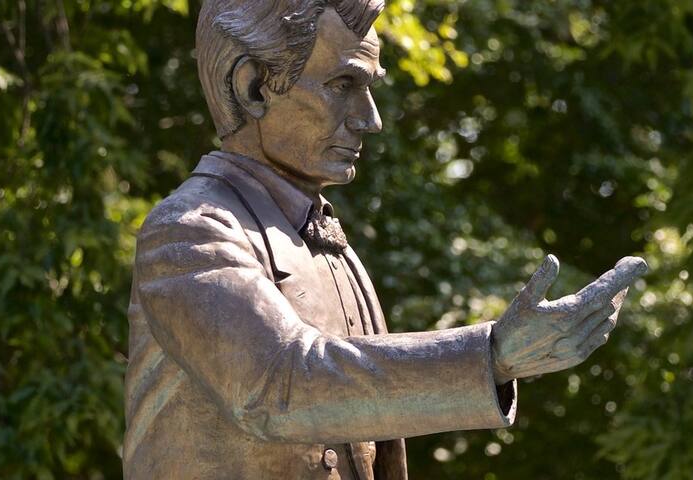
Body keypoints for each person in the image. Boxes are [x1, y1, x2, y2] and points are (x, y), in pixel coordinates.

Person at [123, 0, 650, 478]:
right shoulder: (191, 228)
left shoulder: (325, 244)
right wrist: (488, 356)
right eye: (342, 85)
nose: (369, 119)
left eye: (369, 87)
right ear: (253, 87)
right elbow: (277, 386)